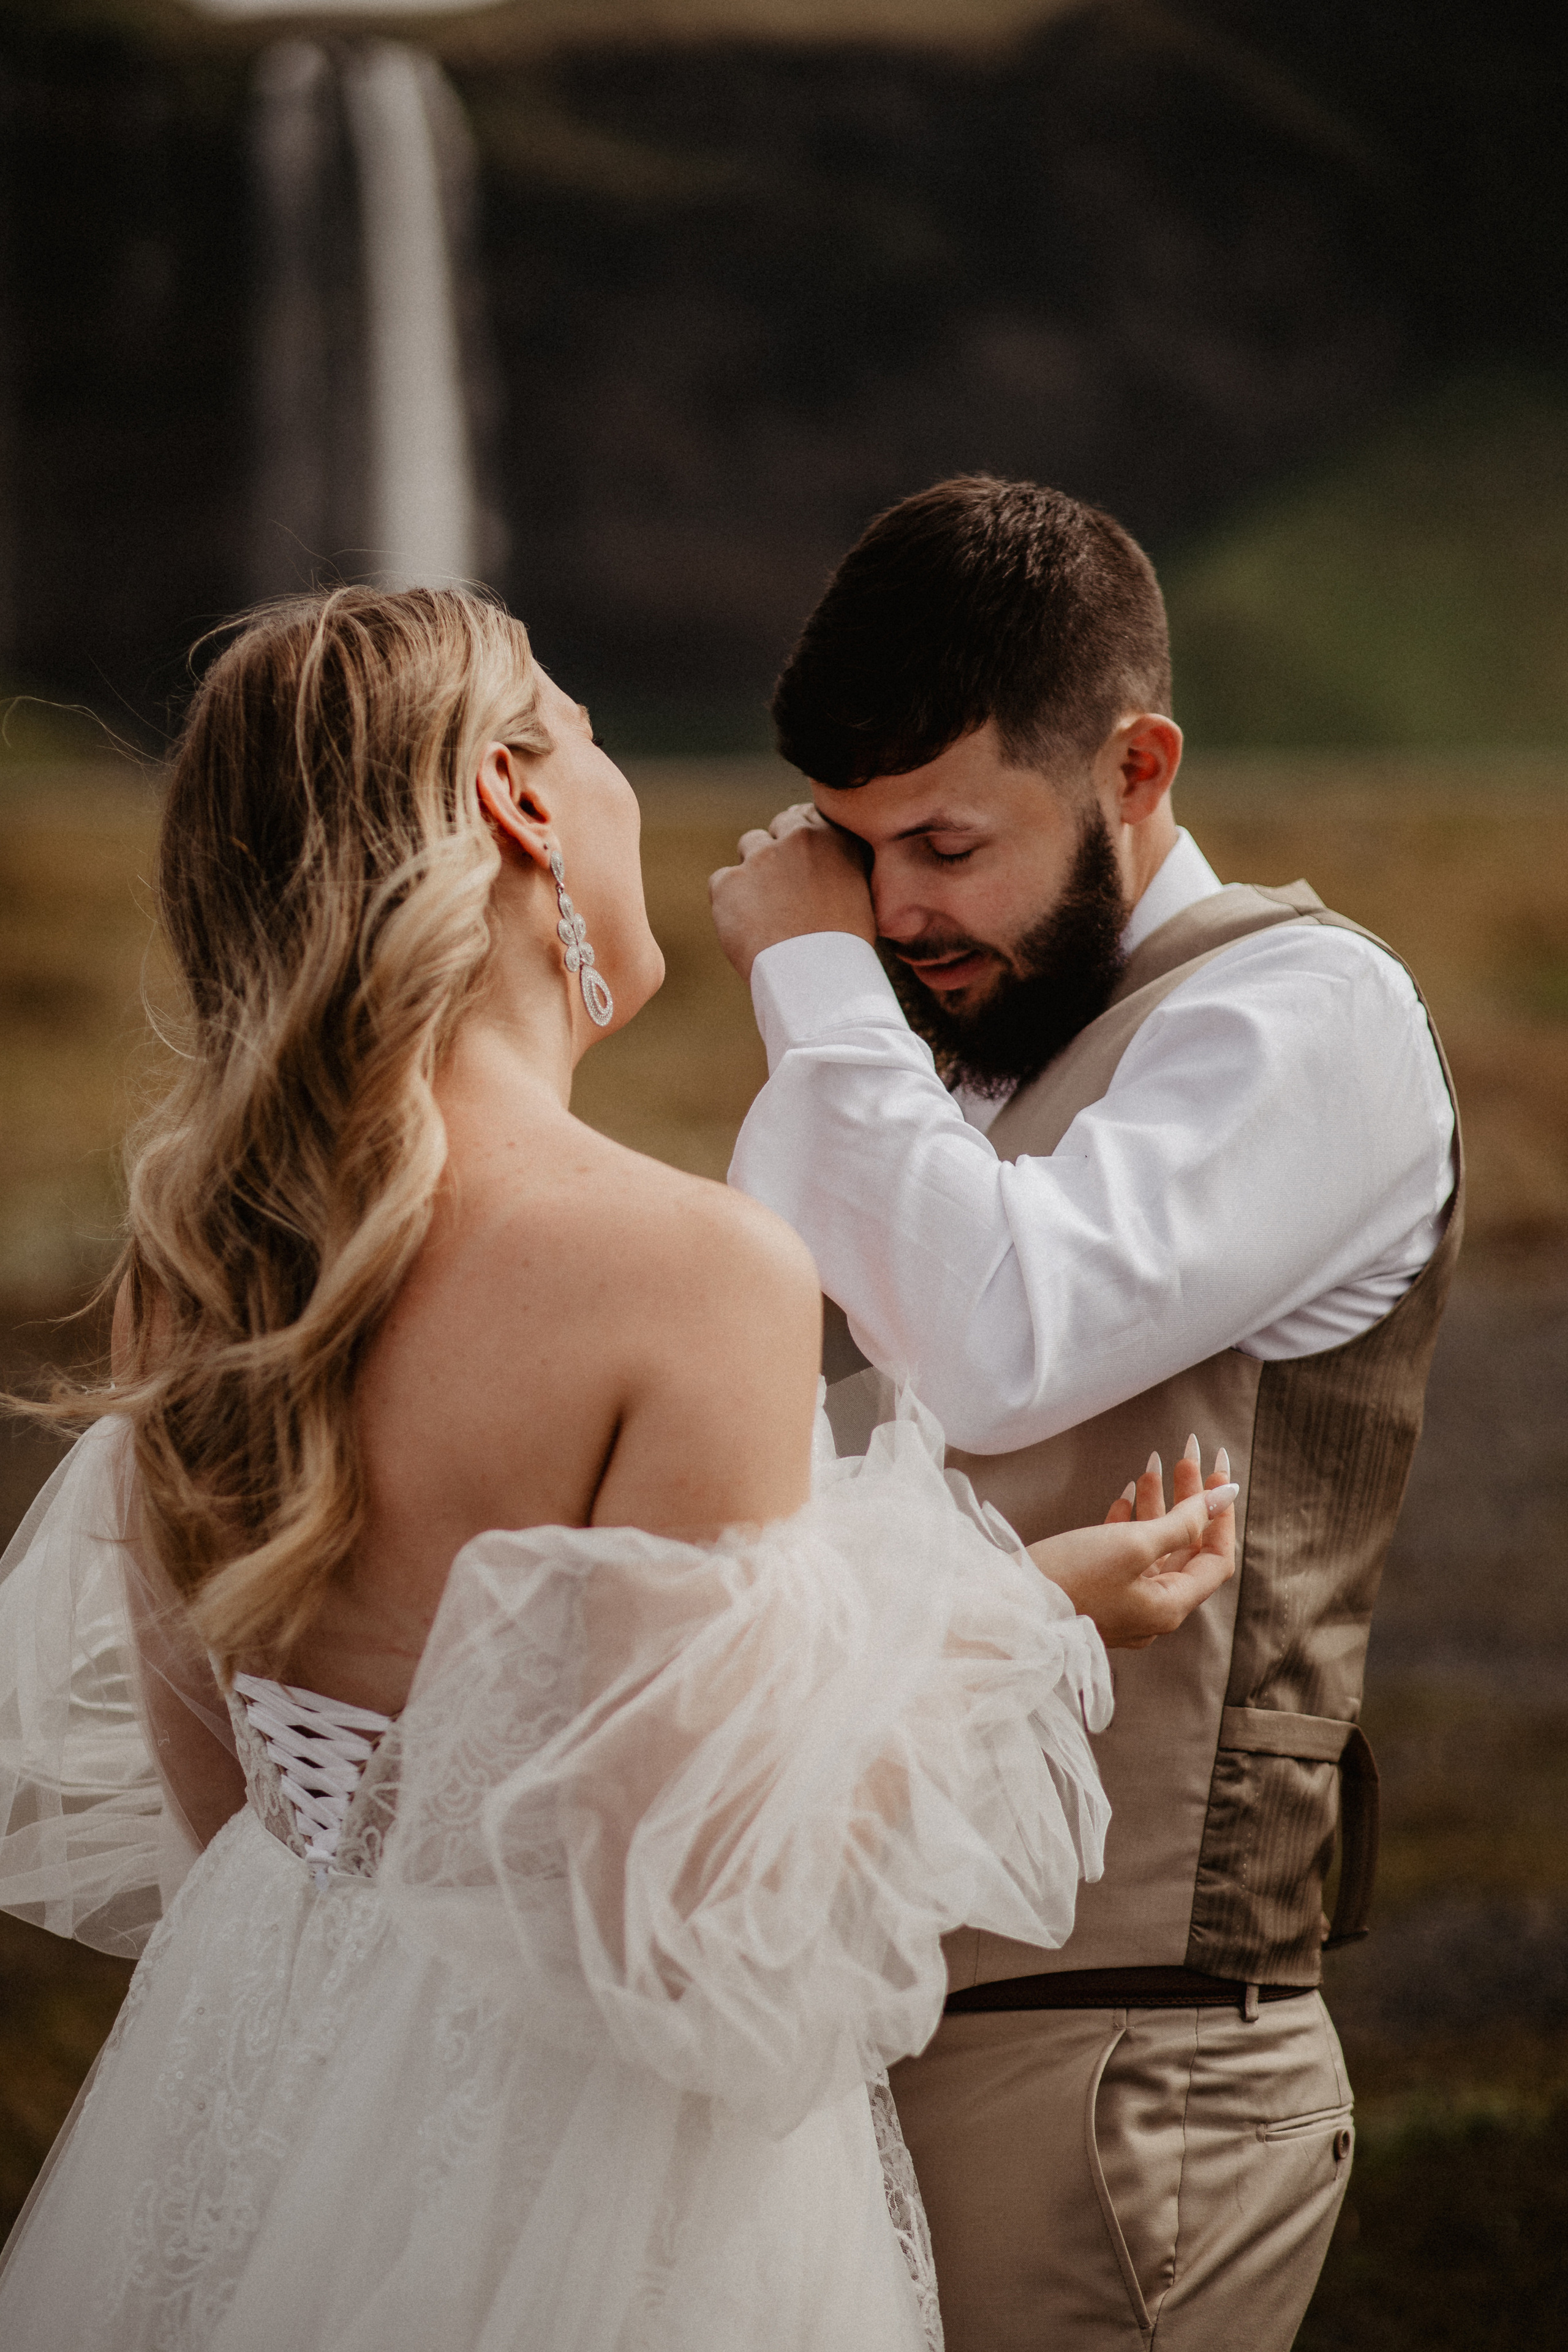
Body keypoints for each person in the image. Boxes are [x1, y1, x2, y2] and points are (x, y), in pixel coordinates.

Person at [0, 585, 1237, 2352]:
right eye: (584, 736)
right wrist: (1028, 1625)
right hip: (575, 2185)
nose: (619, 780)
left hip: (259, 2092)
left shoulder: (203, 1273)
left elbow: (241, 1823)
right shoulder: (691, 1271)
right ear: (515, 799)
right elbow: (682, 1928)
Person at [710, 475, 1461, 2352]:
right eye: (852, 852)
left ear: (1137, 768)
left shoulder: (1311, 1017)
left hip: (1116, 2060)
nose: (896, 909)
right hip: (826, 2046)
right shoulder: (924, 1049)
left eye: (947, 843)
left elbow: (1000, 1340)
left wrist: (812, 982)